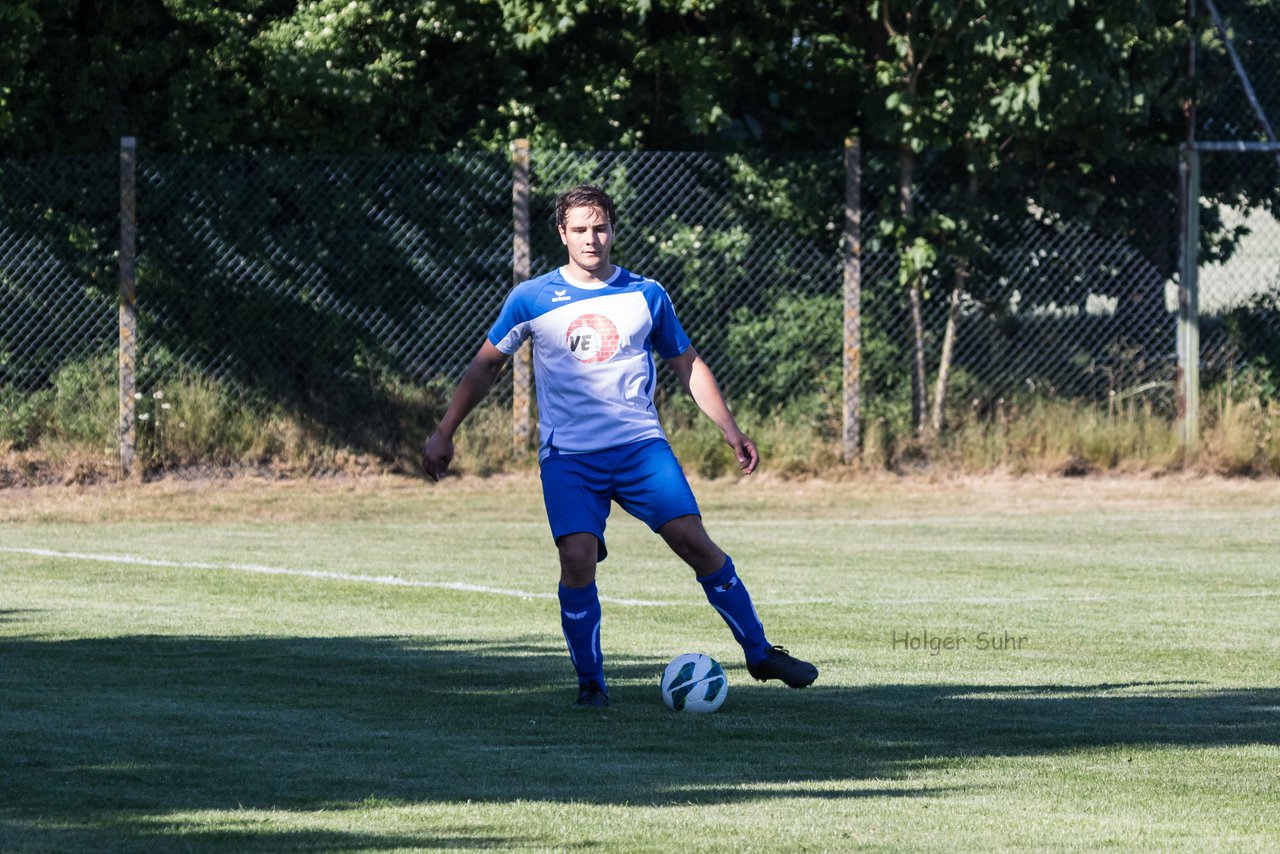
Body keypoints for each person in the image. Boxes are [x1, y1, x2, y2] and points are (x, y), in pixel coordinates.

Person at [422, 184, 818, 708]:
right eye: (581, 229)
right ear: (562, 233)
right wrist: (446, 429)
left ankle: (760, 651)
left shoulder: (646, 294)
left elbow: (688, 364)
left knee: (695, 543)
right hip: (570, 459)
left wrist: (731, 428)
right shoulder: (532, 297)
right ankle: (592, 684)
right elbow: (485, 365)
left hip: (639, 450)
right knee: (577, 557)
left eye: (601, 227)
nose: (592, 239)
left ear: (614, 230)